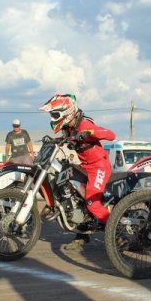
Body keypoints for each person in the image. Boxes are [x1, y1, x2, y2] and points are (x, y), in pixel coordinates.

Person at [39, 93, 115, 250]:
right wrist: (56, 141)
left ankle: (116, 232)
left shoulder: (84, 125)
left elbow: (111, 134)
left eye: (55, 114)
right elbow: (70, 139)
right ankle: (82, 234)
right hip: (84, 166)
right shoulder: (69, 128)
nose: (52, 118)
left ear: (67, 112)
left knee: (92, 202)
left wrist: (90, 133)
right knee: (70, 193)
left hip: (99, 166)